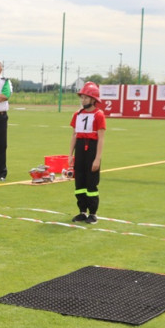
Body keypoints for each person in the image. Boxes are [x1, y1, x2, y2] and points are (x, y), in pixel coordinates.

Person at [69, 82, 106, 224]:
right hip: (80, 149)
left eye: (86, 98)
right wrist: (70, 155)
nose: (83, 100)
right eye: (82, 97)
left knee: (91, 184)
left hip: (91, 149)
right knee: (79, 183)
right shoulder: (77, 114)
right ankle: (82, 211)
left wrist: (97, 159)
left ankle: (93, 213)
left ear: (93, 99)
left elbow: (101, 139)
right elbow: (74, 135)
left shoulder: (99, 115)